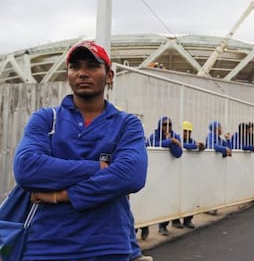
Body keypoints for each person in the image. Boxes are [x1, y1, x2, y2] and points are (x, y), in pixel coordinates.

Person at [13, 41, 152, 261]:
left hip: (108, 247)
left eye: (92, 66)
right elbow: (26, 169)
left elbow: (131, 175)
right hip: (45, 247)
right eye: (75, 66)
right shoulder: (46, 119)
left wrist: (61, 195)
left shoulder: (127, 124)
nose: (82, 73)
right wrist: (97, 167)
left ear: (109, 76)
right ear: (68, 74)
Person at [146, 116, 183, 236]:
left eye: (169, 124)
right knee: (151, 199)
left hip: (169, 173)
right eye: (164, 124)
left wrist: (171, 141)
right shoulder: (154, 136)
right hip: (155, 172)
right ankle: (144, 225)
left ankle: (163, 226)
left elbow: (178, 153)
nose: (167, 127)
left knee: (167, 199)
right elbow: (153, 147)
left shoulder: (175, 136)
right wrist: (170, 141)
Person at [171, 121, 205, 229]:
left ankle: (188, 220)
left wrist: (201, 146)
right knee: (175, 197)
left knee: (189, 197)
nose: (187, 134)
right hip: (177, 173)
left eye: (189, 131)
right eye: (185, 131)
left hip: (189, 174)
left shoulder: (192, 141)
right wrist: (195, 146)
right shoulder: (179, 139)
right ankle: (175, 221)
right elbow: (184, 146)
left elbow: (195, 146)